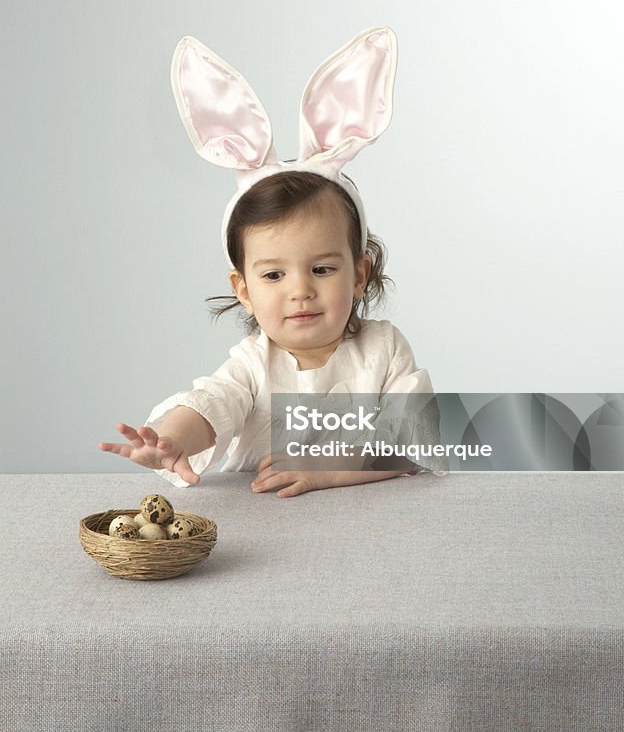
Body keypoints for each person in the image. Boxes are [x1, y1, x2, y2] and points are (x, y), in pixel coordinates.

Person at [98, 27, 443, 496]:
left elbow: (413, 438)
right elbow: (211, 405)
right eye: (274, 275)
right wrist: (172, 438)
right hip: (266, 525)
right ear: (244, 290)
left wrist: (331, 470)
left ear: (360, 274)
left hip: (369, 527)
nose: (299, 290)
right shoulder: (253, 365)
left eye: (322, 269)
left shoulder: (383, 350)